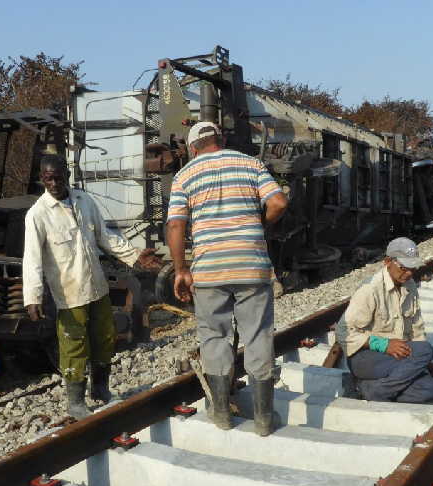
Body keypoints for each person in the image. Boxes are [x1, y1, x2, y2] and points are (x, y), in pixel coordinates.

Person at [166, 122, 288, 436]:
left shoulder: (185, 175)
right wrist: (258, 226)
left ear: (194, 148)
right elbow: (278, 202)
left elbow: (177, 226)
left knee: (214, 337)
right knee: (258, 335)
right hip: (251, 267)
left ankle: (221, 413)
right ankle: (263, 419)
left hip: (209, 271)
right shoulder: (251, 164)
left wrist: (181, 270)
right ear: (220, 140)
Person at [23, 155, 159, 419]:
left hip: (96, 287)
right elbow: (32, 259)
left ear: (67, 175)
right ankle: (75, 401)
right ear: (42, 178)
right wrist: (33, 296)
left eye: (58, 177)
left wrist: (134, 256)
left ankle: (100, 389)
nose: (54, 183)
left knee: (104, 338)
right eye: (48, 179)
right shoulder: (37, 215)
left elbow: (105, 236)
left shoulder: (84, 201)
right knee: (74, 345)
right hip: (69, 294)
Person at [336, 238, 433, 403]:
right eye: (403, 267)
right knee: (425, 350)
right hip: (366, 358)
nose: (408, 273)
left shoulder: (409, 286)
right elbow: (343, 332)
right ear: (388, 262)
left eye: (412, 268)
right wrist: (383, 344)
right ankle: (374, 388)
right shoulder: (370, 289)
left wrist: (427, 366)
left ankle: (369, 389)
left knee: (429, 389)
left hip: (396, 358)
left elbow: (416, 329)